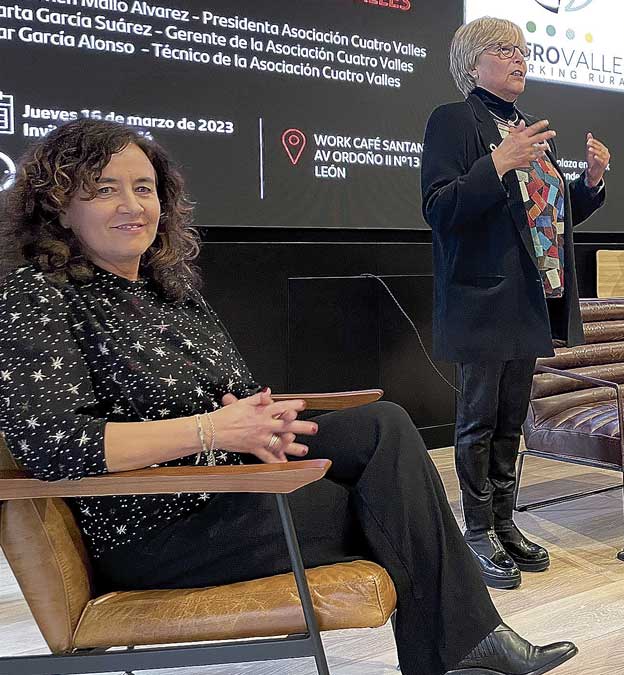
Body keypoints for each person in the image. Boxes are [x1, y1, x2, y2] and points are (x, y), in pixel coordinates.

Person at [0, 119, 577, 675]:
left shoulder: (165, 287)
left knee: (383, 424)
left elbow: (233, 391)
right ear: (58, 206)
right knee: (392, 506)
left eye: (144, 188)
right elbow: (55, 446)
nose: (132, 205)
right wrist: (213, 430)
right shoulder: (37, 297)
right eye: (105, 190)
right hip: (160, 524)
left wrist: (259, 419)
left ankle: (464, 649)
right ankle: (463, 649)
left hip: (231, 478)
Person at [421, 17, 610, 589]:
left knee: (510, 424)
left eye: (522, 49)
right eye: (504, 50)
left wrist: (590, 182)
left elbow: (547, 215)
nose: (519, 58)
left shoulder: (526, 126)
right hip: (482, 300)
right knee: (478, 423)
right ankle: (475, 532)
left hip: (531, 297)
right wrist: (499, 162)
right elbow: (439, 207)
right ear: (471, 64)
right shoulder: (454, 121)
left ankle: (504, 524)